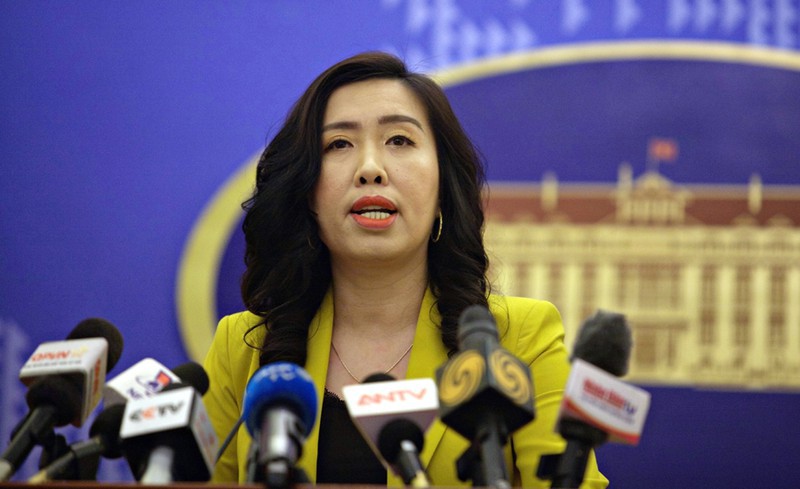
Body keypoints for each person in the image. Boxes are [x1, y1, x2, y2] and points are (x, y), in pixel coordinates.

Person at [203, 51, 608, 488]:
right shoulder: (243, 347)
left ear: (442, 187)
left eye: (399, 140)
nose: (370, 169)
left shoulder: (520, 339)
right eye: (338, 144)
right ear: (307, 192)